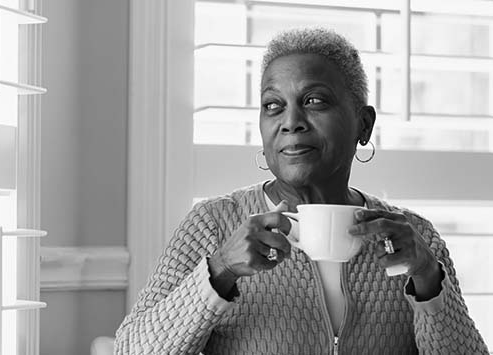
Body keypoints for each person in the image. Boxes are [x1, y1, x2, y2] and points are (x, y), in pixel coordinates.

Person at [114, 28, 489, 354]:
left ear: (363, 123)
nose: (291, 122)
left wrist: (427, 278)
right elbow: (131, 350)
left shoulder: (414, 237)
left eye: (314, 101)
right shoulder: (213, 226)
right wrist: (220, 270)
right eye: (273, 106)